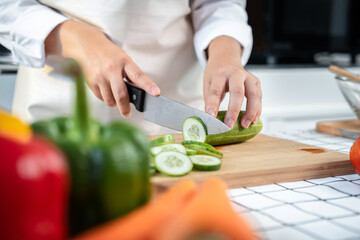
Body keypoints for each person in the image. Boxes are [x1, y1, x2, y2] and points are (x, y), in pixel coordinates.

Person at [0, 0, 261, 135]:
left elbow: (219, 3)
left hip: (176, 116)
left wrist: (225, 48)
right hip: (56, 113)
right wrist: (71, 37)